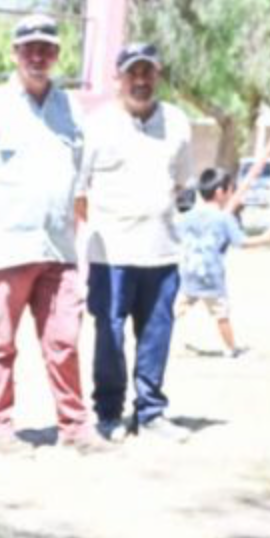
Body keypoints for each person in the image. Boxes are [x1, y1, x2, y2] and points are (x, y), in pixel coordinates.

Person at [0, 13, 105, 454]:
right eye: (29, 48)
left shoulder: (71, 110)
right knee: (0, 344)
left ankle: (75, 428)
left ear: (57, 55)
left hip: (57, 248)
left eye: (46, 49)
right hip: (3, 249)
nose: (38, 56)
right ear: (14, 54)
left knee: (65, 341)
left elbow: (79, 171)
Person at [76, 42, 196, 442]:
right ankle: (109, 413)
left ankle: (151, 413)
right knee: (109, 335)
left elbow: (182, 183)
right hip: (111, 255)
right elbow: (78, 193)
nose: (141, 81)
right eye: (133, 73)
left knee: (157, 334)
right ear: (118, 78)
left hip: (162, 252)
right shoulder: (96, 125)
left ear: (157, 75)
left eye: (148, 72)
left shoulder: (177, 122)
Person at [174, 168, 270, 356]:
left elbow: (174, 234)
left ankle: (150, 336)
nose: (232, 194)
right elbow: (242, 242)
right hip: (212, 277)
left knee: (176, 310)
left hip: (188, 272)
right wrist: (266, 238)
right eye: (231, 190)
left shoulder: (187, 216)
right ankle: (231, 349)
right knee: (221, 314)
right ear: (220, 192)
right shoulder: (224, 218)